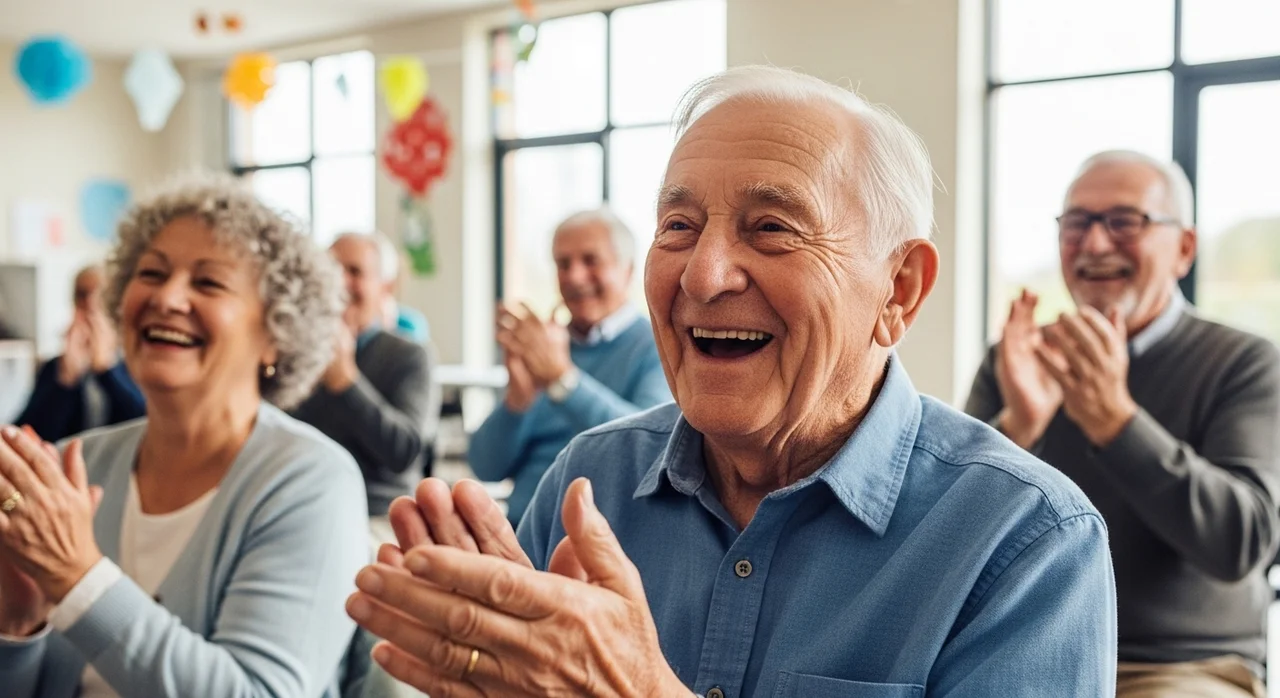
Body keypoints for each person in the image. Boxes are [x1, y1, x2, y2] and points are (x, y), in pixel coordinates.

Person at [345, 66, 1118, 697]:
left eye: (772, 228)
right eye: (678, 227)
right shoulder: (590, 482)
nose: (705, 276)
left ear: (900, 290)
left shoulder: (1025, 539)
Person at [0, 174, 369, 698]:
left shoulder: (311, 481)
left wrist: (76, 579)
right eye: (150, 273)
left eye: (208, 283)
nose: (167, 297)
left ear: (276, 335)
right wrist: (17, 626)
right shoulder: (70, 467)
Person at [965, 150, 1280, 698]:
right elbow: (948, 531)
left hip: (1179, 668)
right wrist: (1020, 425)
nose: (1094, 244)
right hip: (1021, 652)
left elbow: (1242, 542)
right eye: (1077, 223)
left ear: (1184, 249)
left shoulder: (1244, 363)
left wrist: (1115, 422)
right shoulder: (1016, 360)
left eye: (1124, 222)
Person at [470, 208, 671, 525]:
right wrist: (518, 401)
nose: (574, 277)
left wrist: (563, 380)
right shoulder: (544, 349)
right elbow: (485, 466)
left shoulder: (658, 347)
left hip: (602, 541)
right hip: (522, 536)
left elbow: (649, 451)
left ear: (629, 270)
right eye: (563, 264)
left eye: (590, 261)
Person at [293, 232, 439, 537]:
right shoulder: (297, 354)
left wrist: (346, 382)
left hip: (377, 517)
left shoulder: (410, 355)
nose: (341, 282)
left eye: (354, 272)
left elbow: (405, 451)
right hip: (303, 509)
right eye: (331, 271)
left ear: (385, 286)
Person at [16, 265, 145, 442]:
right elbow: (27, 433)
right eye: (82, 294)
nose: (90, 304)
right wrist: (64, 383)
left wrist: (106, 371)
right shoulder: (55, 368)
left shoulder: (138, 363)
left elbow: (145, 426)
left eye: (101, 294)